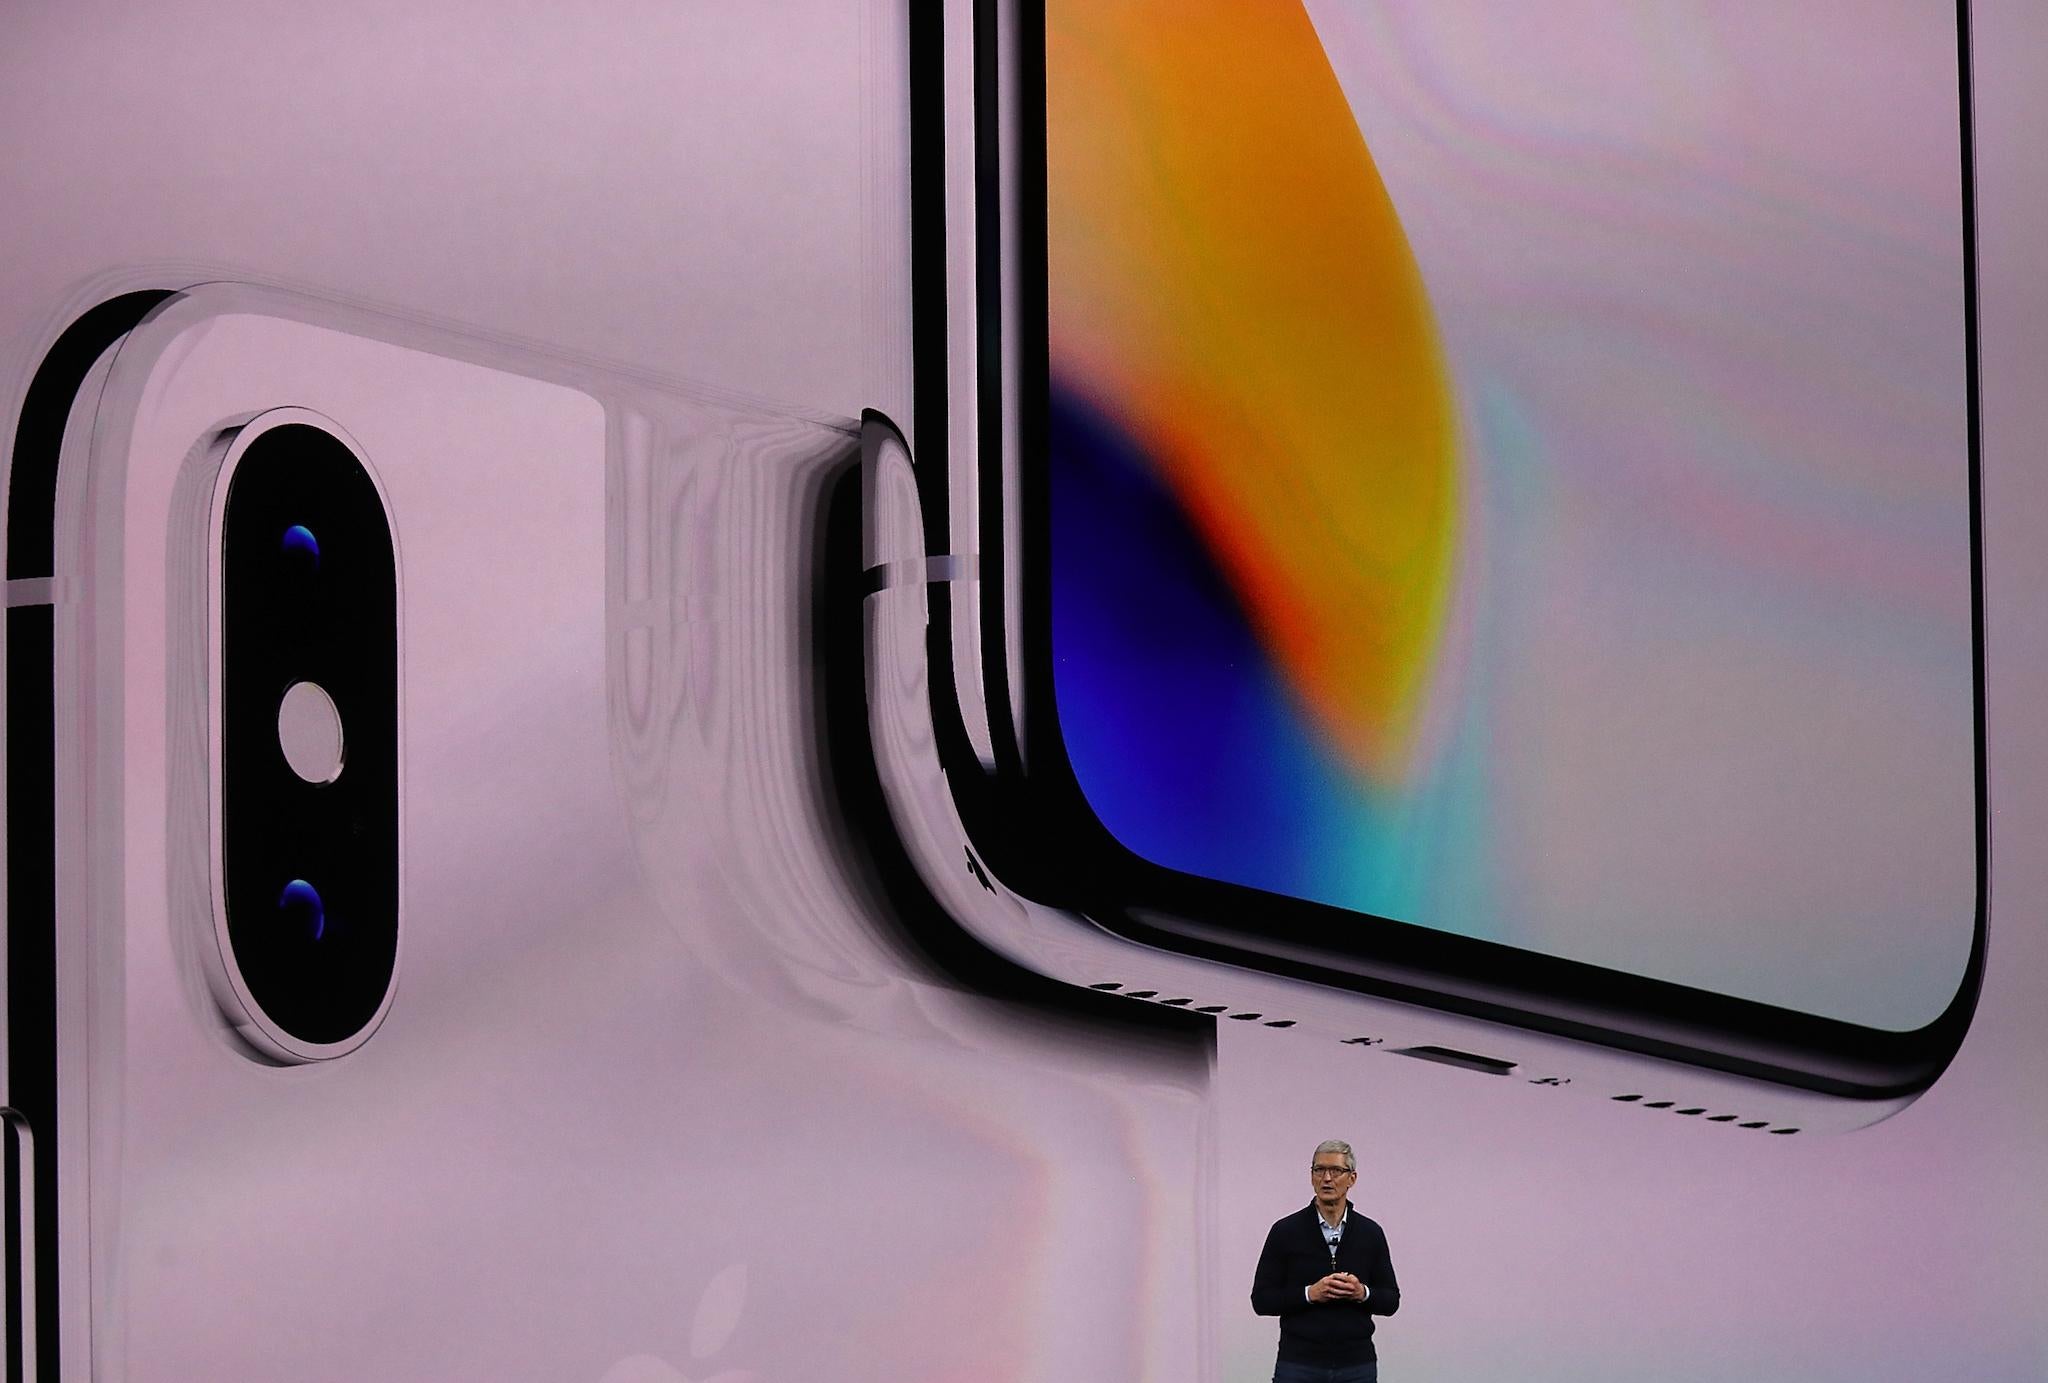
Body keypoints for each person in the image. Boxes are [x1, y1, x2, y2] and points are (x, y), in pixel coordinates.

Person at [1250, 1139, 1400, 1383]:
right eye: (1319, 1170)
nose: (1327, 1178)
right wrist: (1310, 1294)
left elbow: (1391, 1300)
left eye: (1336, 1171)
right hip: (1298, 1364)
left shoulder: (1370, 1233)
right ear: (1311, 1177)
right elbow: (1261, 1300)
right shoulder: (1285, 1231)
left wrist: (1361, 1292)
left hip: (1356, 1366)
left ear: (1352, 1178)